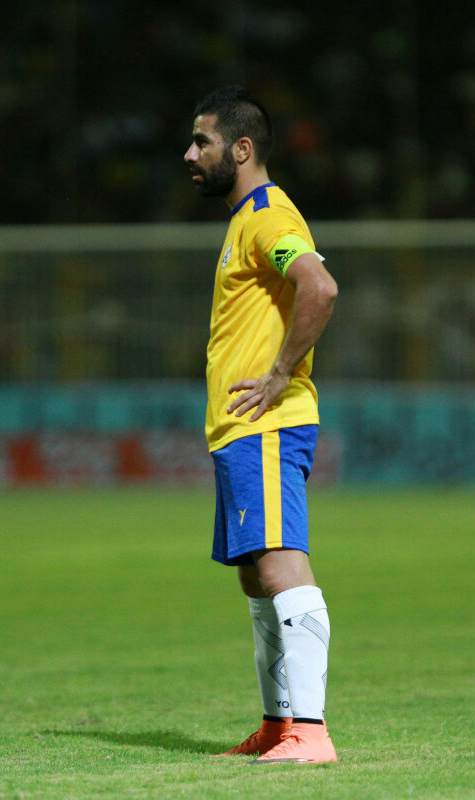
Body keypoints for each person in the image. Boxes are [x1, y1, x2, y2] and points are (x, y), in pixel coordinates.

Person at [184, 86, 340, 765]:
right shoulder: (244, 221)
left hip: (268, 424)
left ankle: (311, 731)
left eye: (202, 142)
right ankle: (279, 726)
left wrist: (280, 373)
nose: (189, 154)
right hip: (238, 430)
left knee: (280, 565)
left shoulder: (268, 217)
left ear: (241, 148)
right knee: (256, 577)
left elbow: (320, 286)